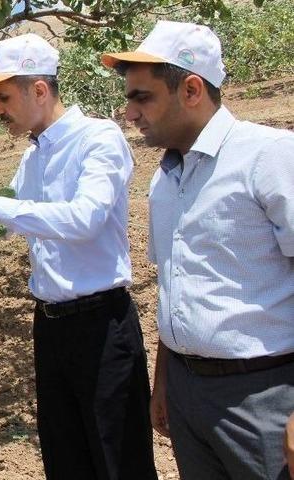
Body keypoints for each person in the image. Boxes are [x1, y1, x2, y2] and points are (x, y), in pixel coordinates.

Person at [0, 34, 156, 479]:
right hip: (51, 327)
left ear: (39, 90)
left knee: (119, 461)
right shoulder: (32, 159)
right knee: (66, 457)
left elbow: (84, 219)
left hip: (103, 329)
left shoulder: (98, 139)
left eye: (3, 97)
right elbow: (10, 221)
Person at [102, 20, 294, 480]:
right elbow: (173, 284)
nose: (130, 113)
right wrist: (165, 381)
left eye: (142, 97)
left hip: (264, 398)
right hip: (188, 395)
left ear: (191, 89)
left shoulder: (269, 157)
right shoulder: (166, 178)